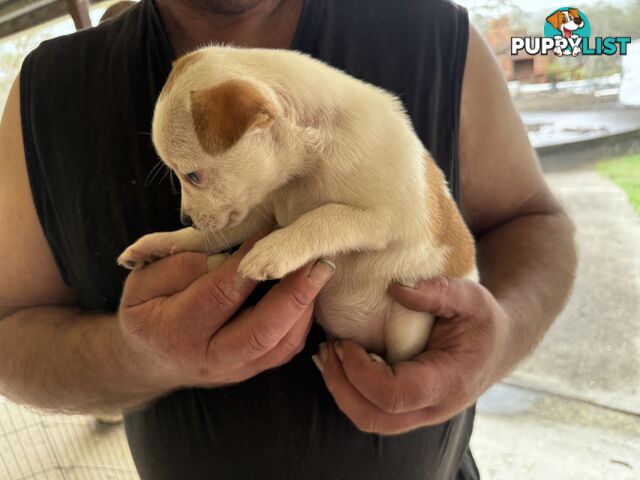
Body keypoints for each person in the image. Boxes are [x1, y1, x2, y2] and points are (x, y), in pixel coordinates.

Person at [0, 0, 576, 478]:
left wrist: (499, 339)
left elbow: (530, 217)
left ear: (262, 119)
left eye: (194, 176)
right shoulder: (49, 88)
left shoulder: (433, 33)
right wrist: (139, 354)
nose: (188, 199)